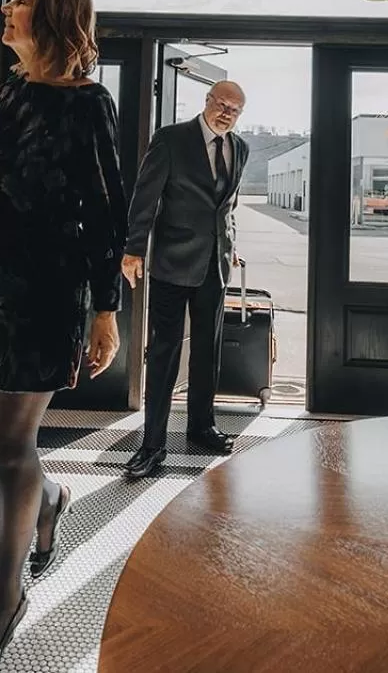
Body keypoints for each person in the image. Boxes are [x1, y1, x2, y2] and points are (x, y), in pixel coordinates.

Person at [0, 0, 126, 672]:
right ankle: (49, 496)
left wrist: (105, 310)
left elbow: (108, 215)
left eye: (19, 0)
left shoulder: (90, 106)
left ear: (52, 18)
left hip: (50, 293)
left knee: (10, 442)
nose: (7, 8)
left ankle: (4, 600)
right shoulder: (13, 86)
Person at [120, 80, 248, 480]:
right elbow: (145, 196)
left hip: (215, 265)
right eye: (222, 103)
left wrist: (229, 244)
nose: (227, 113)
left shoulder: (240, 147)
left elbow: (227, 206)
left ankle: (201, 426)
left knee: (207, 353)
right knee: (164, 353)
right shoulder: (172, 139)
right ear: (207, 101)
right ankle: (152, 445)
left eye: (235, 109)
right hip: (172, 264)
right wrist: (134, 248)